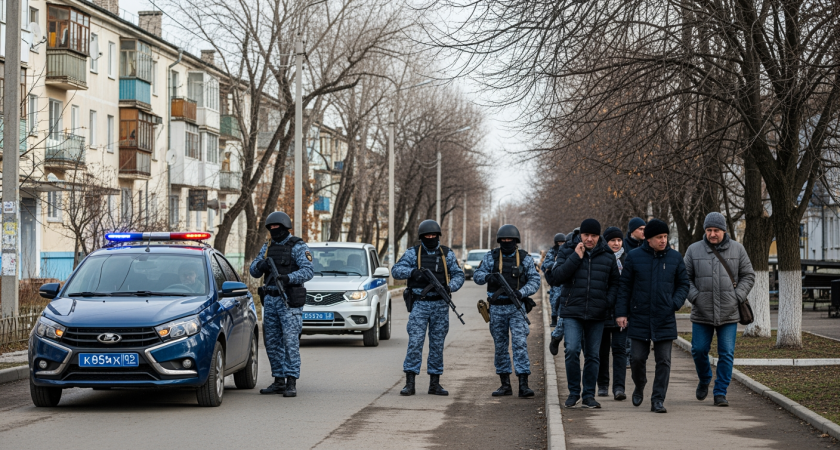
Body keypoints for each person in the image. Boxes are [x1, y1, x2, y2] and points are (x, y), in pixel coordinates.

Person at [615, 219, 690, 413]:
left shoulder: (674, 257)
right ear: (648, 239)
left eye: (665, 236)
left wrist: (674, 303)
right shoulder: (633, 257)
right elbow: (625, 287)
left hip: (664, 317)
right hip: (639, 317)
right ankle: (639, 385)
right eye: (659, 237)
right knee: (637, 359)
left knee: (663, 361)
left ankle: (658, 399)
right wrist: (622, 313)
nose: (663, 240)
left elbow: (683, 283)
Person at [547, 219, 620, 409]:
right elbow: (556, 277)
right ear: (580, 235)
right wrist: (575, 257)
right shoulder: (567, 251)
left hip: (597, 313)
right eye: (586, 235)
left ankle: (588, 395)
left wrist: (607, 302)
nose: (589, 239)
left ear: (598, 236)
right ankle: (573, 393)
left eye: (593, 236)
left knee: (593, 355)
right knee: (571, 350)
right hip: (572, 311)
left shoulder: (607, 255)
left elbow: (614, 283)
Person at [684, 212, 755, 407]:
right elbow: (684, 278)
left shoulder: (738, 250)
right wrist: (696, 297)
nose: (712, 234)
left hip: (729, 312)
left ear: (724, 230)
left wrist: (737, 296)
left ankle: (720, 392)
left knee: (726, 353)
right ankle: (705, 377)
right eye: (709, 230)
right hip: (701, 312)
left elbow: (748, 275)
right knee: (698, 350)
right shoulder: (693, 250)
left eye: (716, 230)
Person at [392, 220, 465, 396]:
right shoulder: (413, 253)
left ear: (438, 236)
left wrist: (450, 287)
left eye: (433, 235)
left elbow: (458, 274)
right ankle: (410, 383)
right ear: (421, 237)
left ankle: (435, 383)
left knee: (437, 344)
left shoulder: (446, 254)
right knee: (415, 342)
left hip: (440, 304)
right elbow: (396, 270)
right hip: (420, 304)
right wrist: (412, 272)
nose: (430, 238)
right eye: (427, 236)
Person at [250, 211, 314, 397]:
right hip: (270, 300)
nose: (273, 231)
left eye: (277, 228)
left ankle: (291, 380)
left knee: (290, 341)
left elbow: (308, 271)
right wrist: (260, 266)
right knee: (272, 342)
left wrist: (288, 278)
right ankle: (278, 380)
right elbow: (253, 270)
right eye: (271, 228)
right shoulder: (268, 246)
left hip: (288, 300)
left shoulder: (297, 246)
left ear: (285, 228)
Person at [474, 224, 541, 398]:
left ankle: (523, 384)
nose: (506, 242)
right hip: (496, 308)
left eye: (509, 240)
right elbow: (477, 276)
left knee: (520, 345)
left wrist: (521, 292)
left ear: (515, 241)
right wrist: (488, 276)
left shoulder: (524, 258)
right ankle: (505, 384)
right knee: (501, 347)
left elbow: (535, 280)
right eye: (503, 240)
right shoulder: (491, 257)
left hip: (516, 308)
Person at [597, 226, 629, 400]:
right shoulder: (600, 258)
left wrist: (625, 311)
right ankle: (602, 385)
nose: (616, 244)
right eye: (612, 240)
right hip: (602, 312)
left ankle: (619, 387)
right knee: (601, 351)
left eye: (619, 240)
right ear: (606, 241)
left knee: (619, 349)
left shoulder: (627, 259)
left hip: (621, 313)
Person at [541, 233, 567, 328]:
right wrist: (556, 264)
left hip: (564, 281)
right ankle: (554, 319)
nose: (561, 244)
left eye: (562, 242)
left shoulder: (568, 250)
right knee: (554, 301)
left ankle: (561, 320)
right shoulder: (552, 252)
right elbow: (546, 265)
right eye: (559, 242)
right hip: (555, 281)